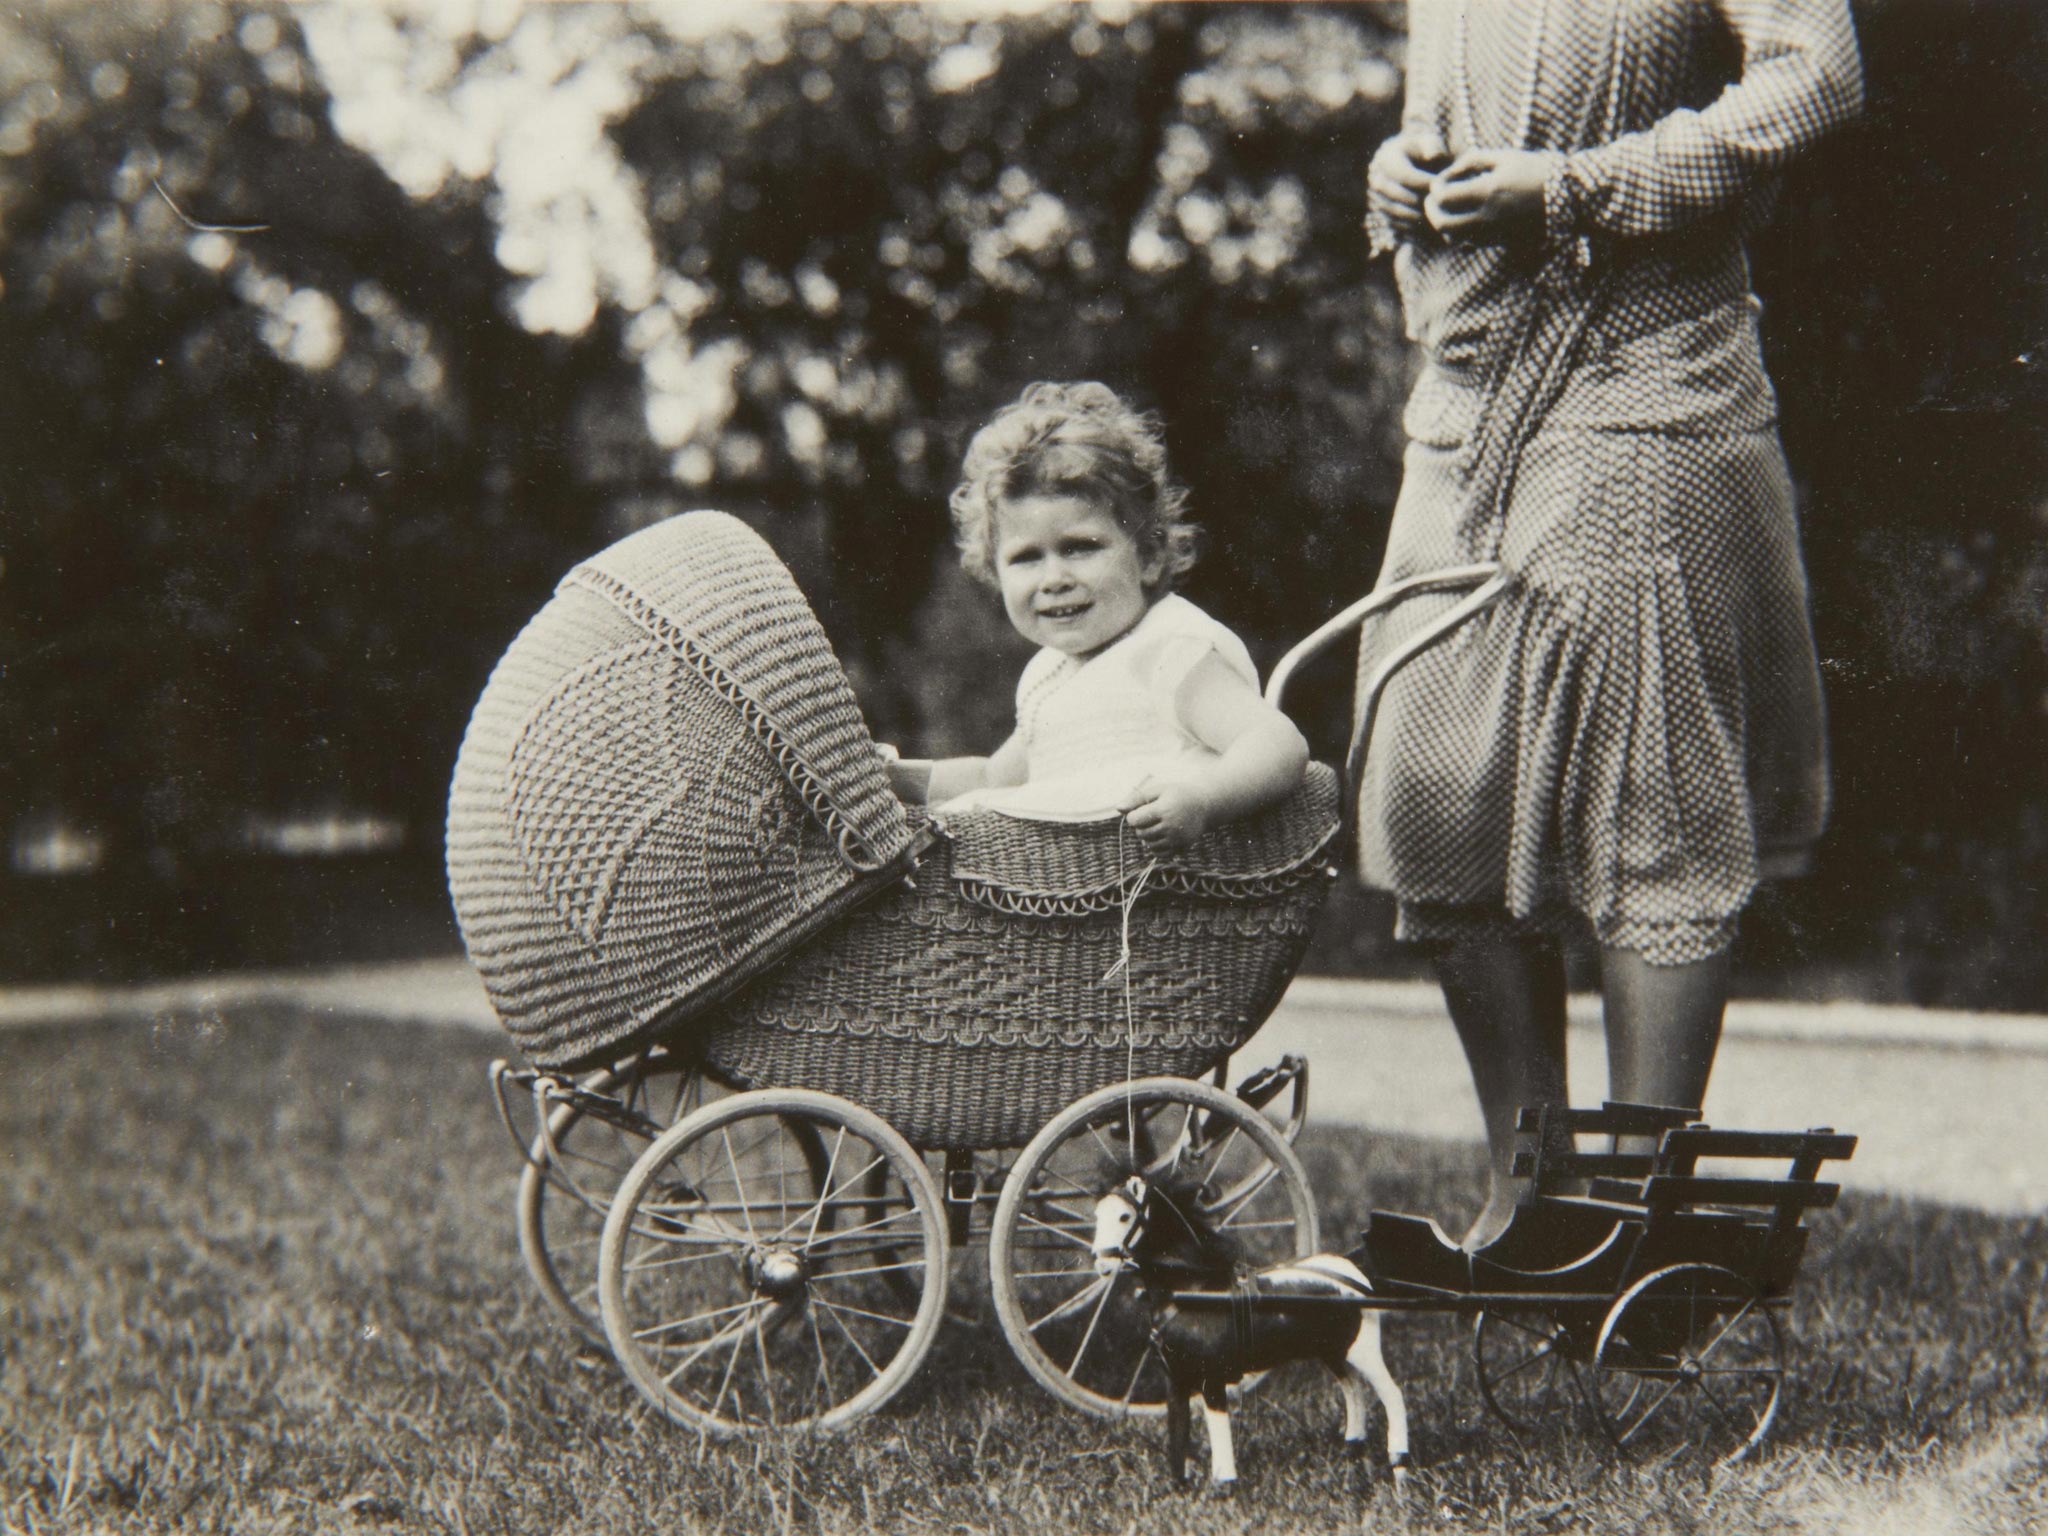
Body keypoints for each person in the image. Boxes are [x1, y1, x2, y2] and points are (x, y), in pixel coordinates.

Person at [1359, 0, 1863, 1247]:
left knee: (1653, 802)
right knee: (1426, 778)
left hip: (1648, 372)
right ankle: (1530, 1194)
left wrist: (1581, 185)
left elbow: (1816, 78)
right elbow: (1455, 109)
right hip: (1467, 391)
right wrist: (1395, 172)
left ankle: (1641, 1217)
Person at [887, 381, 1309, 852]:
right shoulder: (1050, 673)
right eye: (1026, 558)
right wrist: (894, 779)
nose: (1054, 578)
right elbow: (993, 776)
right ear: (995, 571)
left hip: (1165, 893)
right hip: (1070, 900)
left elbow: (1276, 740)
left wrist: (1203, 801)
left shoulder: (1168, 648)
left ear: (1148, 555)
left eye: (1080, 547)